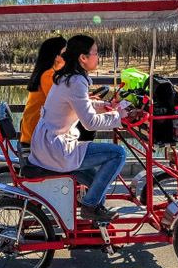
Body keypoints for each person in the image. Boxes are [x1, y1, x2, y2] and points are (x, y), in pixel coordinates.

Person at [28, 34, 128, 223]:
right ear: (83, 57)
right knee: (118, 154)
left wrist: (105, 106)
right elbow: (90, 122)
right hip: (56, 150)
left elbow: (80, 104)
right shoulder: (76, 81)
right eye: (95, 53)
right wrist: (118, 117)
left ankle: (96, 221)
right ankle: (89, 207)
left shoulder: (66, 77)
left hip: (47, 145)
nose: (98, 57)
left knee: (96, 182)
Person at [19, 36, 67, 146]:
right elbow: (60, 102)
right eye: (66, 53)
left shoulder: (50, 74)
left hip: (34, 131)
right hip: (37, 135)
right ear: (57, 57)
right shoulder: (48, 75)